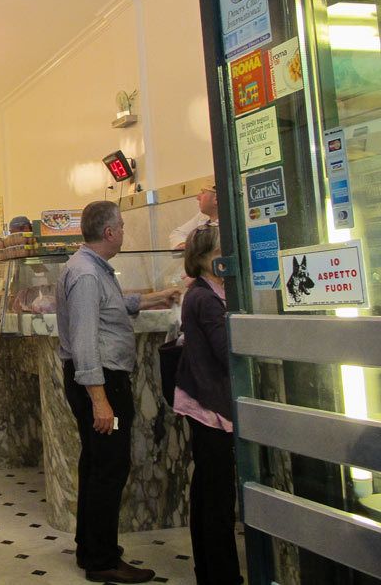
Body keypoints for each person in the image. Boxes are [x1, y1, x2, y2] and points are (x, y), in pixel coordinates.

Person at [57, 200, 179, 584]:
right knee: (109, 468)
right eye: (122, 226)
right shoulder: (87, 274)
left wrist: (154, 298)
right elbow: (85, 340)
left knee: (96, 466)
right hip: (100, 380)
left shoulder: (91, 268)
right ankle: (103, 560)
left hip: (99, 379)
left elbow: (109, 309)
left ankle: (90, 545)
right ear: (109, 233)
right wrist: (100, 399)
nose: (124, 232)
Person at [174, 226, 243, 585]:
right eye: (221, 249)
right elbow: (224, 348)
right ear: (204, 258)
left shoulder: (203, 293)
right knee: (216, 497)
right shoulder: (203, 298)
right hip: (210, 406)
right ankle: (221, 574)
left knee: (208, 491)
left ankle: (212, 570)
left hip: (203, 400)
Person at [169, 183, 218, 249]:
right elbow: (178, 233)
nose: (198, 197)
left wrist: (193, 247)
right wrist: (183, 244)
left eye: (203, 192)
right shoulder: (203, 216)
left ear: (216, 199)